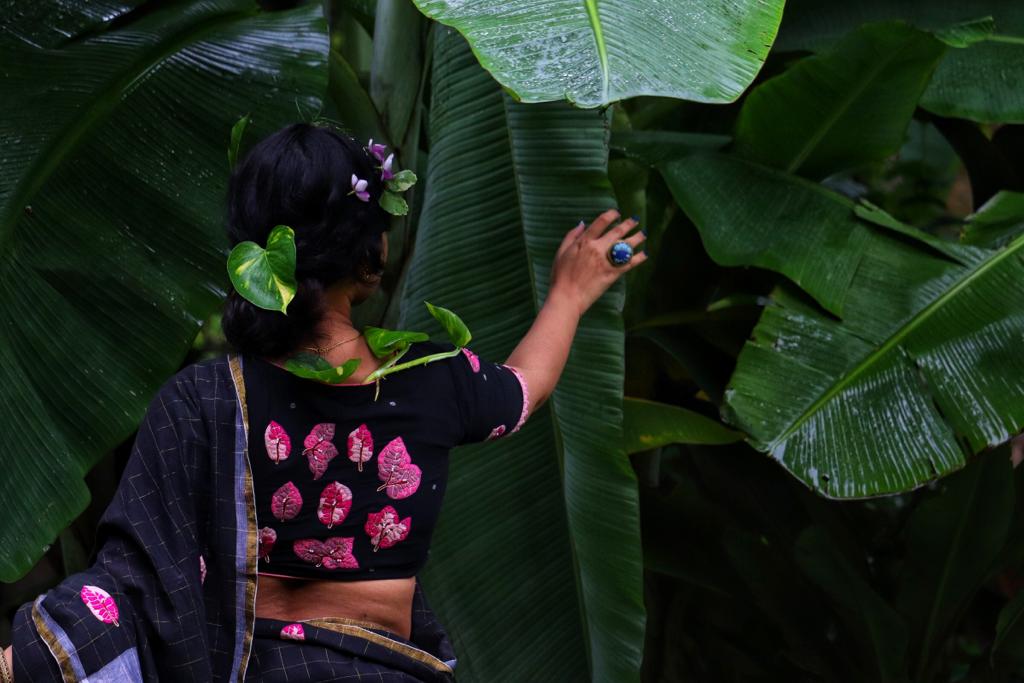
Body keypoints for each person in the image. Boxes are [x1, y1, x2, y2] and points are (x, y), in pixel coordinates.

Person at [2, 123, 646, 681]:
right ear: (371, 251)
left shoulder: (201, 398)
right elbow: (523, 389)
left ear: (251, 256)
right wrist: (569, 293)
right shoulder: (434, 378)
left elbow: (137, 579)